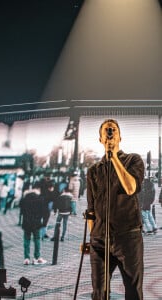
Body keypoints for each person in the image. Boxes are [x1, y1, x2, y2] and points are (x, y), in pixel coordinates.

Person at [86, 119, 144, 300]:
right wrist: (92, 237)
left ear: (120, 137)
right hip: (99, 241)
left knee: (133, 291)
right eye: (106, 131)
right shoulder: (94, 170)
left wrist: (115, 158)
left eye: (113, 131)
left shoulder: (133, 160)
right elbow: (91, 209)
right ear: (100, 139)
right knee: (99, 292)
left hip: (128, 237)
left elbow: (130, 188)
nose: (110, 133)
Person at [19, 181, 47, 265]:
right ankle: (37, 257)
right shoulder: (39, 198)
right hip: (36, 222)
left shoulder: (24, 199)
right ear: (38, 189)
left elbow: (22, 211)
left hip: (26, 222)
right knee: (37, 239)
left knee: (26, 240)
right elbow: (43, 212)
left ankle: (26, 258)